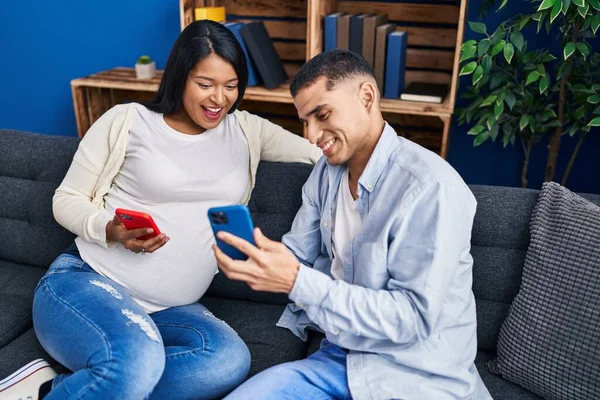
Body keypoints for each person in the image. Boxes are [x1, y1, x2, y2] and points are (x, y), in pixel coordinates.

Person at [0, 20, 321, 400]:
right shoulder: (128, 121)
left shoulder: (246, 130)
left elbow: (320, 152)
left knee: (226, 362)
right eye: (205, 84)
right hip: (89, 281)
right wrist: (111, 229)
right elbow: (66, 199)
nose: (219, 99)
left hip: (174, 309)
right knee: (137, 358)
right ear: (180, 77)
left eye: (231, 86)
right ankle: (113, 376)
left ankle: (56, 388)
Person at [213, 49, 493, 400]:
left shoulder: (430, 187)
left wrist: (298, 281)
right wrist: (258, 259)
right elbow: (297, 252)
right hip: (340, 357)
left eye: (322, 114)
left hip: (416, 375)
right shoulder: (326, 174)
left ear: (366, 97)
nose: (312, 135)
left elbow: (412, 319)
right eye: (304, 121)